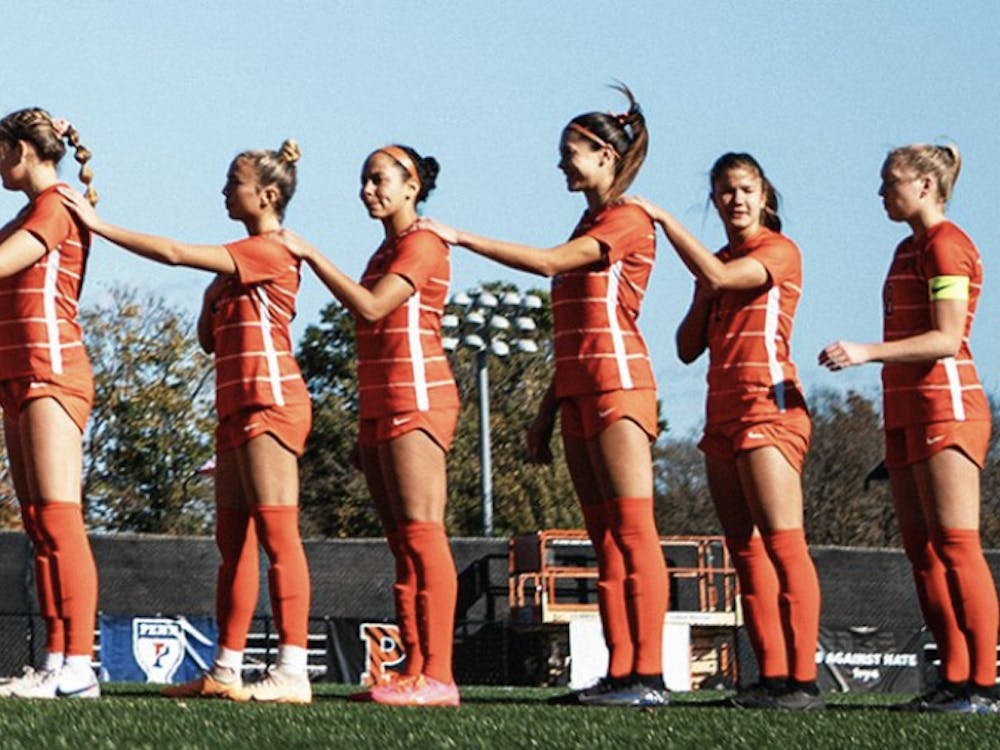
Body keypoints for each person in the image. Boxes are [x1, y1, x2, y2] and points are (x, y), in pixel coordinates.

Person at [418, 86, 669, 708]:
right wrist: (545, 414)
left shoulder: (628, 218)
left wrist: (463, 237)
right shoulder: (591, 218)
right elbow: (574, 334)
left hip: (619, 386)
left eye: (570, 152)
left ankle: (649, 676)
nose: (561, 163)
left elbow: (552, 264)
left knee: (633, 531)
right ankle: (621, 672)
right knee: (604, 537)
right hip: (582, 389)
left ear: (607, 154)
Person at [60, 140, 315, 704]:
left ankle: (293, 671)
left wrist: (99, 226)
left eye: (234, 182)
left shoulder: (273, 249)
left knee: (277, 536)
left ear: (267, 195)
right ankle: (226, 669)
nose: (224, 191)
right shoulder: (238, 262)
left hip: (270, 402)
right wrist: (214, 292)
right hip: (234, 408)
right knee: (234, 544)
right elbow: (207, 341)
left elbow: (174, 252)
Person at [629, 154, 823, 710]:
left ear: (764, 196)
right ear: (715, 200)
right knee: (744, 551)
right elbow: (688, 347)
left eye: (745, 190)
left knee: (784, 545)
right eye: (725, 192)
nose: (735, 200)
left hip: (769, 408)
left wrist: (665, 223)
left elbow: (718, 277)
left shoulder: (778, 251)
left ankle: (804, 682)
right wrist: (704, 292)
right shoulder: (715, 261)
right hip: (722, 414)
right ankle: (772, 677)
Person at [820, 143, 998, 714]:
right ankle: (952, 679)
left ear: (925, 184)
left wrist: (865, 352)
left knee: (956, 547)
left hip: (947, 408)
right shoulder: (906, 249)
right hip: (906, 413)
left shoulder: (947, 245)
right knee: (922, 553)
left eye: (889, 180)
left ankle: (981, 684)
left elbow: (948, 339)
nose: (879, 192)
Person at [282, 145, 461, 707]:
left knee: (422, 533)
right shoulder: (386, 249)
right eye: (363, 180)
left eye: (379, 179)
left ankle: (439, 676)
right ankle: (414, 669)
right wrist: (365, 419)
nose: (368, 190)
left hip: (419, 398)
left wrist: (311, 255)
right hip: (383, 404)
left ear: (412, 186)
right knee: (401, 544)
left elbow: (373, 308)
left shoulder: (423, 243)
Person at [0, 108, 100, 700]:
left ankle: (79, 665)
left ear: (19, 151)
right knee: (39, 522)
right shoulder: (24, 212)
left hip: (51, 370)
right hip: (17, 373)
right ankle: (58, 662)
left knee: (61, 518)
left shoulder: (56, 206)